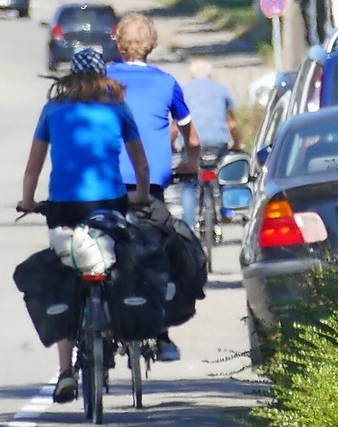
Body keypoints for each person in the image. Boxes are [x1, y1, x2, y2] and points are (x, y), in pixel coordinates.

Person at [17, 48, 150, 404]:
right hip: (109, 202)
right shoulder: (118, 108)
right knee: (118, 260)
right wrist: (139, 195)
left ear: (70, 78)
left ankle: (65, 370)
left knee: (64, 277)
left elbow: (33, 167)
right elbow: (140, 164)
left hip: (63, 207)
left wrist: (28, 202)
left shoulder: (52, 110)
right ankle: (120, 319)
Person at [107, 12, 200, 362]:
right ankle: (162, 334)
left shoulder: (101, 81)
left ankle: (91, 322)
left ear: (118, 43)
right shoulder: (166, 83)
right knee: (166, 251)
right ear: (152, 44)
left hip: (104, 187)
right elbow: (191, 136)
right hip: (150, 192)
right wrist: (190, 165)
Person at [173, 58, 243, 229]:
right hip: (218, 142)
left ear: (191, 76)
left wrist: (171, 146)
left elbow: (175, 126)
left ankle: (188, 226)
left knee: (189, 182)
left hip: (191, 144)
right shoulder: (221, 89)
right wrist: (238, 143)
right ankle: (227, 210)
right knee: (225, 172)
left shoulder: (182, 90)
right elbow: (232, 124)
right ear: (211, 75)